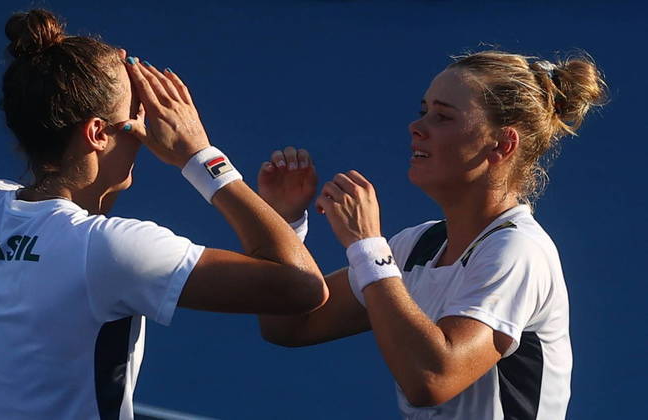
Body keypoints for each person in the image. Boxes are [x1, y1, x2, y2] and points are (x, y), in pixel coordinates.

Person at [0, 9, 328, 420]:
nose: (146, 127)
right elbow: (303, 287)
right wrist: (199, 155)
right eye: (136, 112)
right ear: (95, 133)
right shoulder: (110, 249)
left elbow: (63, 230)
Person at [257, 50, 606, 419]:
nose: (416, 127)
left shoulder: (518, 250)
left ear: (502, 145)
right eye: (423, 111)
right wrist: (284, 221)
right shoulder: (415, 247)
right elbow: (290, 324)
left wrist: (367, 245)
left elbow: (431, 378)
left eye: (442, 116)